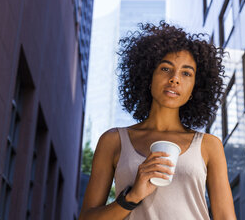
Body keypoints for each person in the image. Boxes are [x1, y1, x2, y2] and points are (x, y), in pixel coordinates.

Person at [79, 22, 236, 220]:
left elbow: (226, 217)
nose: (175, 79)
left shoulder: (209, 145)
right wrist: (132, 196)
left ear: (195, 89)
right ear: (148, 77)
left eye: (186, 73)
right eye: (165, 68)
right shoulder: (113, 140)